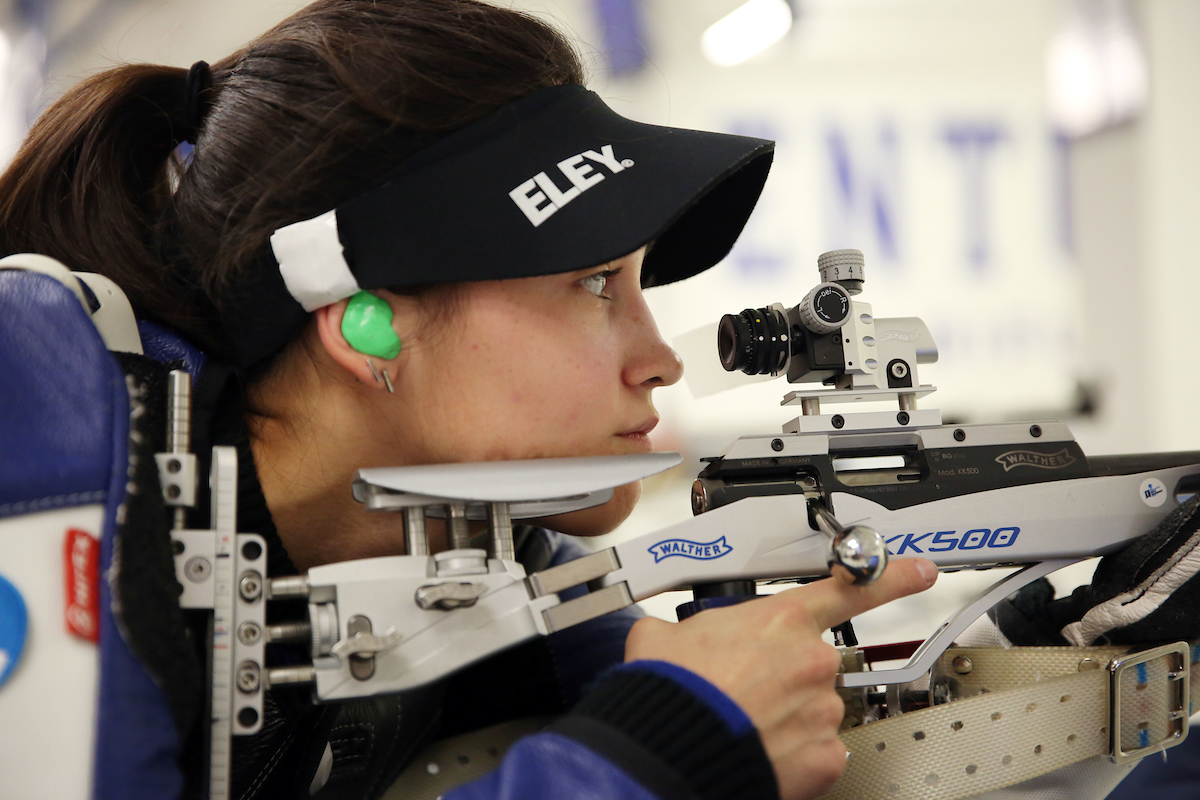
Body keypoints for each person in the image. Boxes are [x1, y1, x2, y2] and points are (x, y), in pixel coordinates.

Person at [0, 2, 936, 798]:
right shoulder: (45, 472)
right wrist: (651, 758)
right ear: (369, 327)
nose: (660, 361)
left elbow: (649, 671)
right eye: (594, 281)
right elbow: (654, 741)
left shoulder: (467, 544)